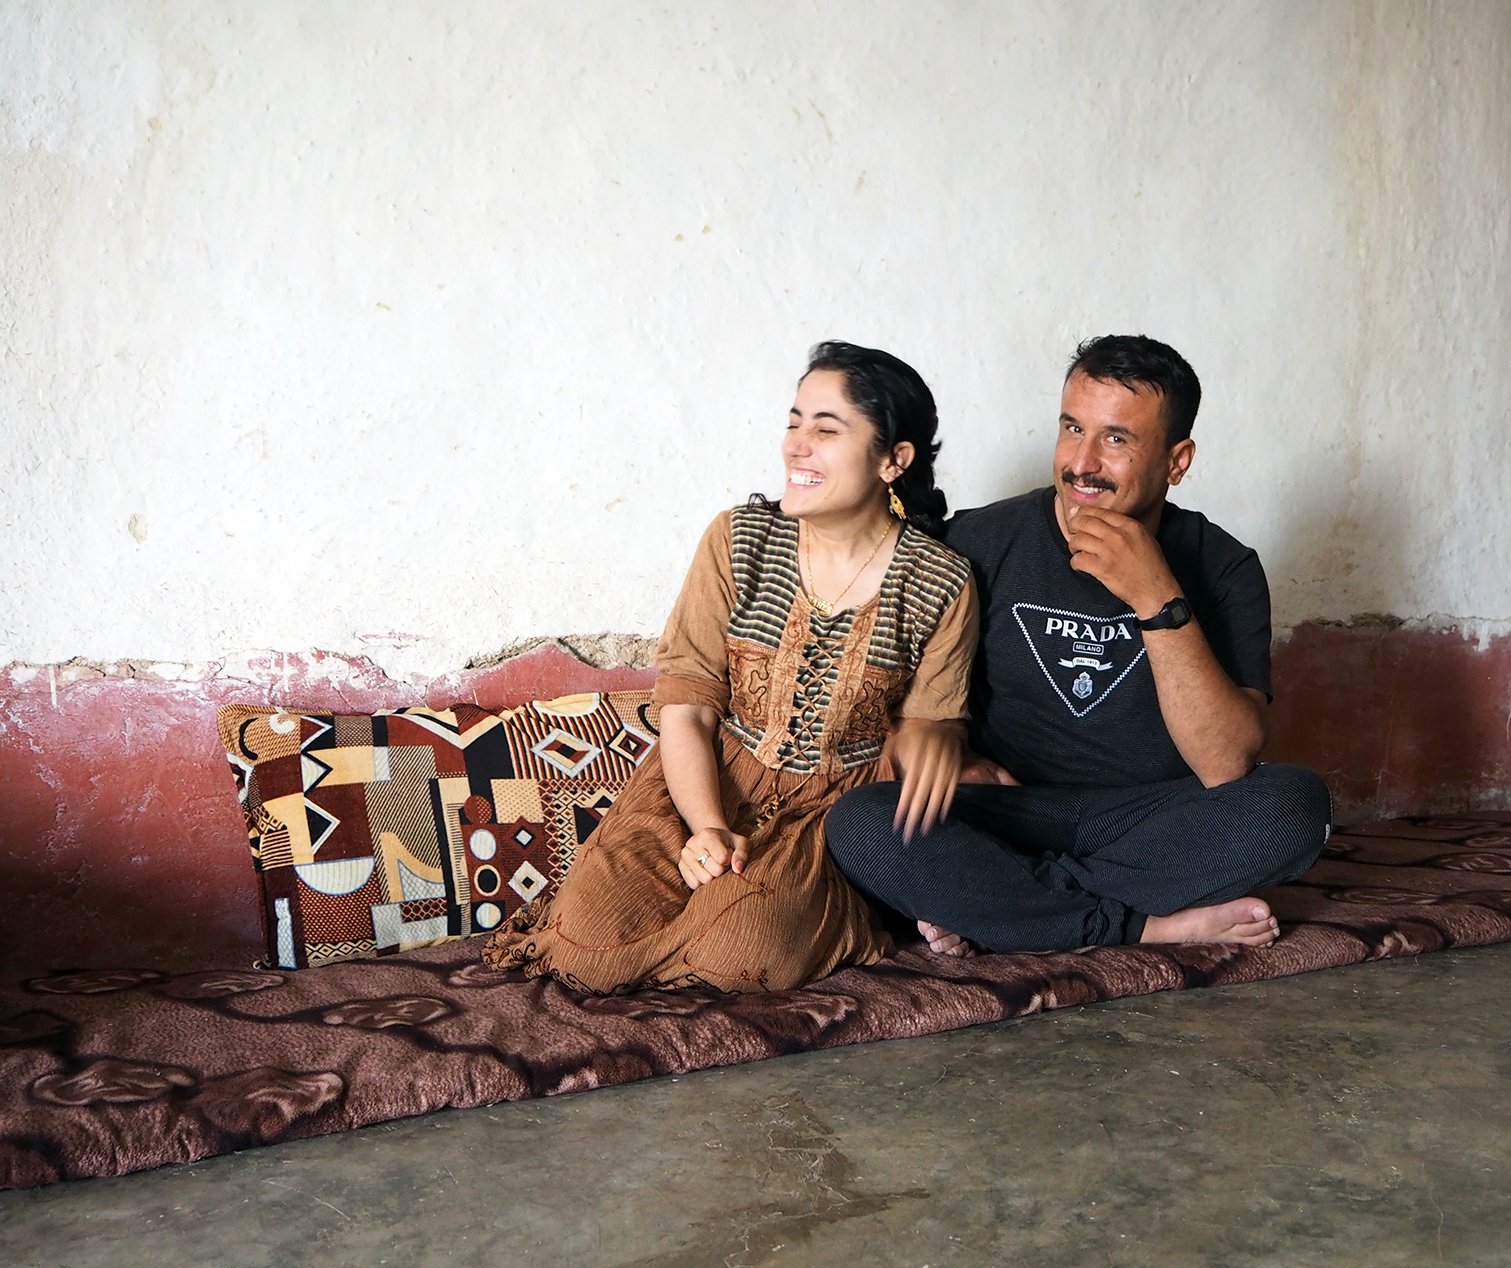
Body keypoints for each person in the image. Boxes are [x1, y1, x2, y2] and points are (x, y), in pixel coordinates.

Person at [482, 341, 978, 993]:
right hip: (704, 778)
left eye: (826, 430)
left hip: (830, 814)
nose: (797, 445)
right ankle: (692, 937)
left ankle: (845, 917)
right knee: (582, 943)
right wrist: (706, 826)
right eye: (794, 422)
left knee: (739, 954)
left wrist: (933, 859)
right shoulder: (738, 540)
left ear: (894, 459)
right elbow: (687, 707)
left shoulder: (941, 581)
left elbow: (928, 736)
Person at [825, 334, 1329, 954]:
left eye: (1117, 439)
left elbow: (1225, 764)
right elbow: (892, 711)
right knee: (862, 824)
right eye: (1072, 428)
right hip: (1008, 814)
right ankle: (1145, 925)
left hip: (1150, 820)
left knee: (1294, 807)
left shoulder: (1223, 567)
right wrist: (946, 758)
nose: (1082, 463)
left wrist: (1157, 600)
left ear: (1177, 461)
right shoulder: (978, 543)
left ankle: (1009, 910)